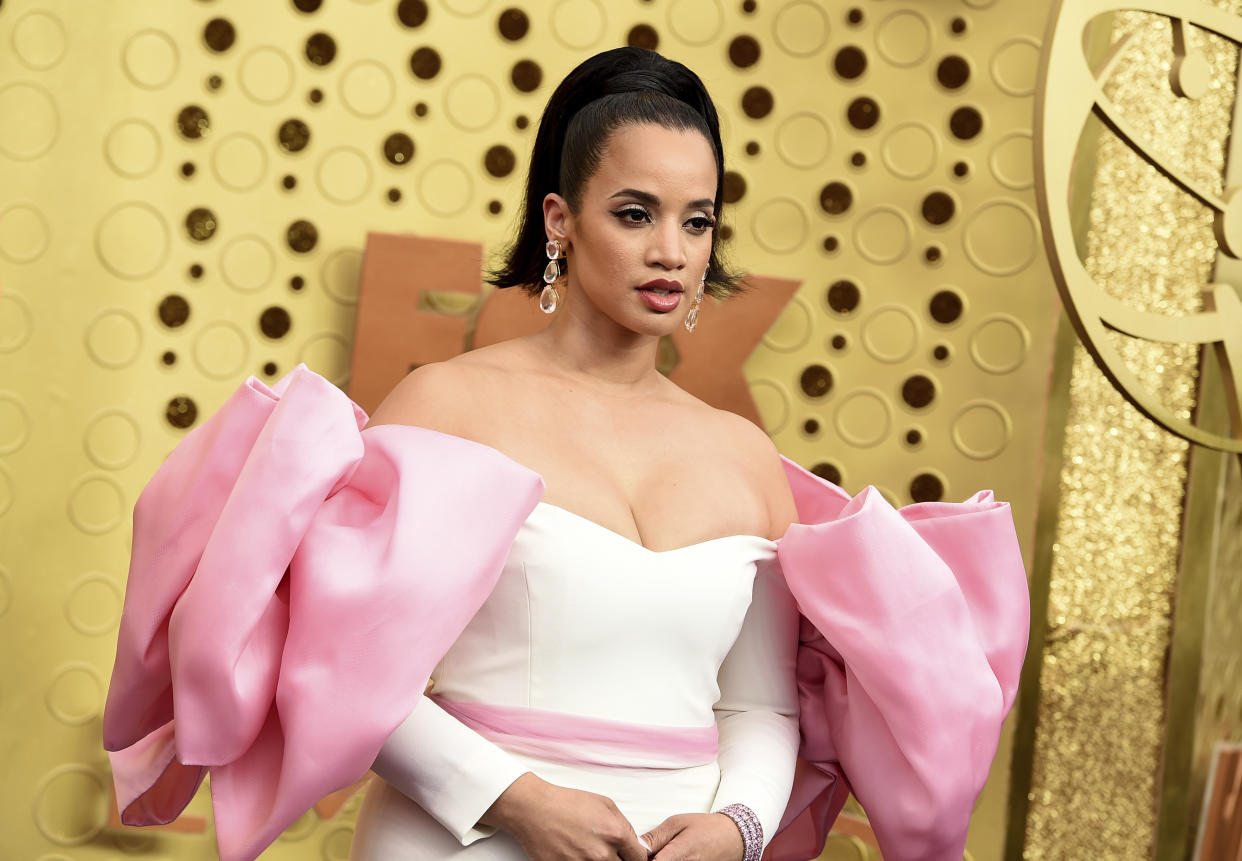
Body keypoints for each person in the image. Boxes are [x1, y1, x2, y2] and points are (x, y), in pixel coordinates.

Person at [103, 47, 1030, 861]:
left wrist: (742, 825)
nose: (672, 251)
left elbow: (761, 707)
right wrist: (518, 802)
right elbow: (337, 665)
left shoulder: (744, 456)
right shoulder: (446, 404)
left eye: (698, 221)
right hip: (463, 838)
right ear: (560, 219)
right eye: (636, 213)